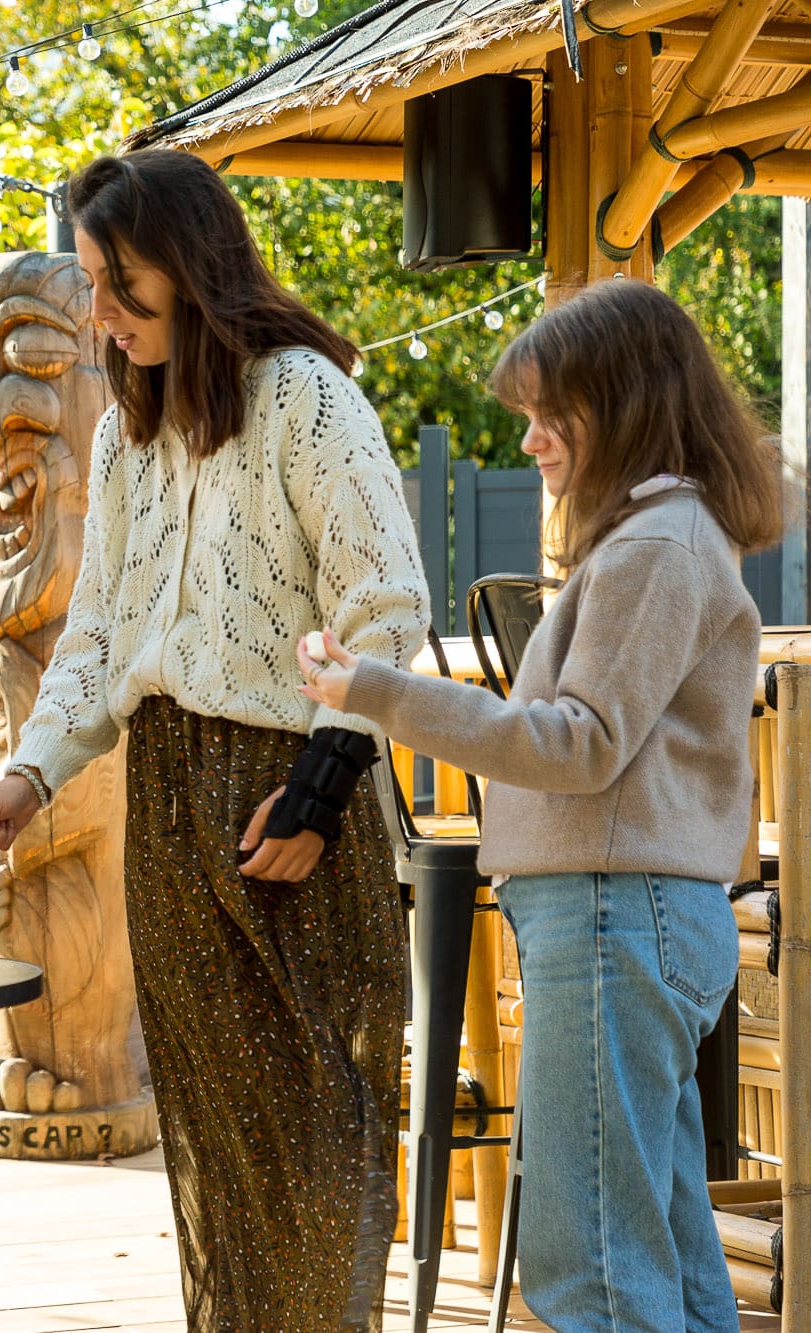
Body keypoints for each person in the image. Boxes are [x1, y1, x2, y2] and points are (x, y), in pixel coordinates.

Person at [0, 149, 431, 1331]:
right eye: (91, 290)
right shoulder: (122, 434)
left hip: (284, 789)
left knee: (320, 1125)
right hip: (165, 789)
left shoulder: (304, 397)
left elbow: (385, 603)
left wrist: (319, 790)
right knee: (214, 1138)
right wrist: (27, 774)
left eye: (118, 288)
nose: (102, 320)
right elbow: (101, 636)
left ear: (192, 265)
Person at [298, 277, 778, 1333]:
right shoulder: (661, 538)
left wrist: (371, 690)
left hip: (612, 917)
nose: (529, 442)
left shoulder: (653, 549)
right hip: (629, 915)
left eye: (543, 413)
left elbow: (578, 744)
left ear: (616, 403)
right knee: (663, 1249)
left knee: (590, 1263)